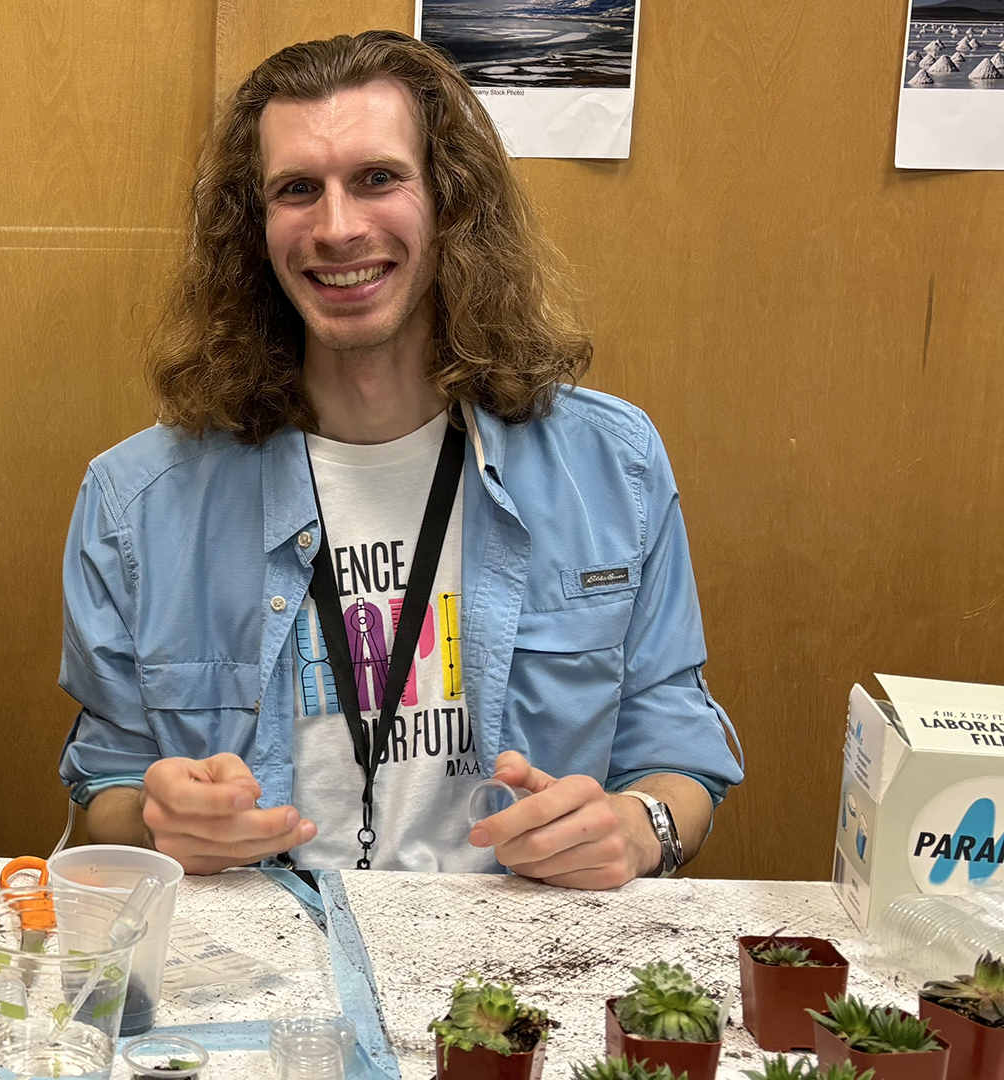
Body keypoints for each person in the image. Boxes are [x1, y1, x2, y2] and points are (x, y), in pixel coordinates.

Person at [57, 32, 740, 887]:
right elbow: (108, 783)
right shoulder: (134, 504)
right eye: (297, 189)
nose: (339, 227)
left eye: (378, 178)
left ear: (450, 202)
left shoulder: (614, 467)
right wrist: (157, 824)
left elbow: (678, 756)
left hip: (518, 950)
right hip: (262, 949)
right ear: (254, 228)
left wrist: (637, 831)